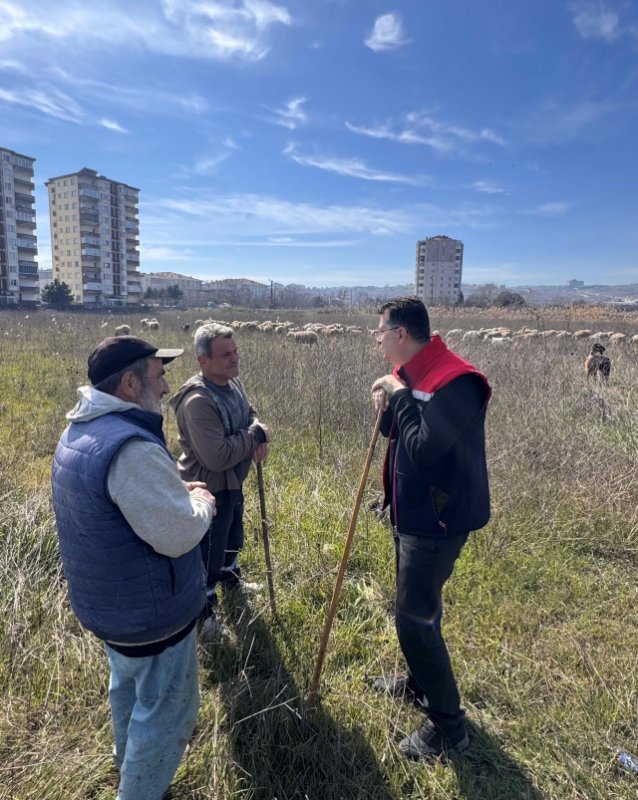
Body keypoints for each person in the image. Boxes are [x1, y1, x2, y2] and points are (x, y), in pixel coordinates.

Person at [51, 335, 216, 800]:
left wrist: (174, 494)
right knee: (166, 714)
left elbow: (118, 508)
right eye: (158, 376)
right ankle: (141, 791)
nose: (165, 388)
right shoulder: (130, 448)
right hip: (151, 614)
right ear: (129, 383)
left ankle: (130, 772)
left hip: (113, 607)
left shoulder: (81, 433)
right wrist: (201, 502)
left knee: (129, 693)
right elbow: (178, 533)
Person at [370, 297, 491, 759]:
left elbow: (423, 450)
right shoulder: (411, 373)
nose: (378, 340)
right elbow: (400, 432)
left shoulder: (457, 381)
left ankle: (448, 727)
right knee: (419, 609)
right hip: (411, 513)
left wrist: (398, 396)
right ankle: (419, 682)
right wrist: (389, 404)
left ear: (401, 334)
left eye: (380, 331)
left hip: (437, 520)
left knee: (413, 621)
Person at [170, 322, 269, 628]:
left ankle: (230, 578)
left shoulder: (232, 382)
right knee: (210, 550)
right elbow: (217, 456)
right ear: (203, 360)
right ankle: (203, 610)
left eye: (235, 351)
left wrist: (257, 428)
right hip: (209, 488)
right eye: (225, 354)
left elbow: (249, 413)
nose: (234, 358)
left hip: (232, 482)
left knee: (232, 536)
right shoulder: (198, 401)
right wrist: (255, 437)